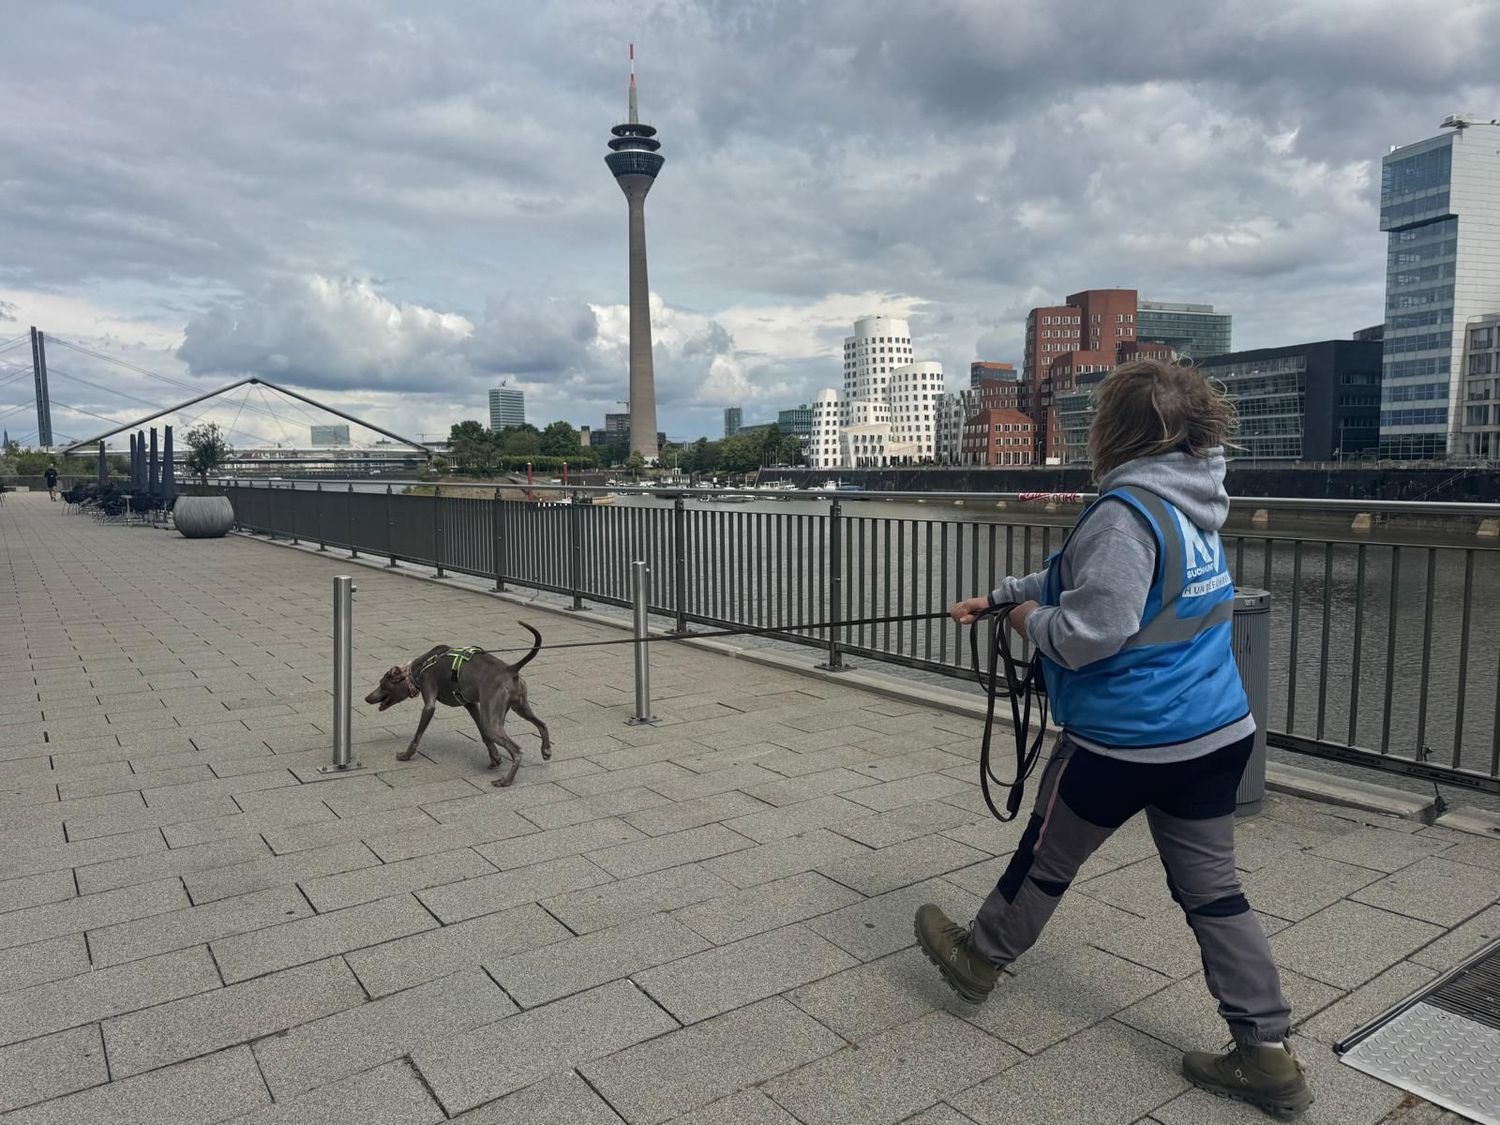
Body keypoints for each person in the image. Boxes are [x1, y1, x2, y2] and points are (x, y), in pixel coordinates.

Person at [916, 359, 1311, 1119]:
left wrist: (1022, 621)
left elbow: (1091, 631)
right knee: (1214, 892)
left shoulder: (1126, 510)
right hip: (1215, 731)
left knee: (1045, 858)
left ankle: (979, 958)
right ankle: (1267, 1052)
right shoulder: (1194, 503)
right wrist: (999, 596)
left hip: (1126, 741)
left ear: (1118, 429)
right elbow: (1080, 575)